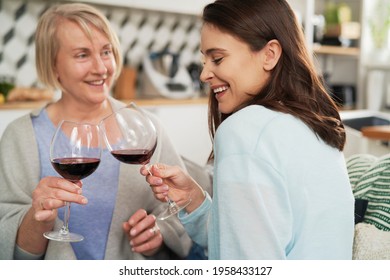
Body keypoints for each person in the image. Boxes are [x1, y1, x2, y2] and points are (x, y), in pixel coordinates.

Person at [142, 0, 355, 260]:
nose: (204, 74)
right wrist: (193, 199)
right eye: (205, 59)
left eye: (217, 58)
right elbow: (250, 238)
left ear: (269, 55)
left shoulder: (244, 131)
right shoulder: (314, 124)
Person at [0, 3, 194, 260]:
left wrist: (158, 237)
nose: (101, 68)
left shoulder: (144, 127)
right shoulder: (20, 136)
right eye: (82, 55)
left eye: (106, 52)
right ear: (53, 65)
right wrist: (38, 219)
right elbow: (10, 248)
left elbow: (182, 214)